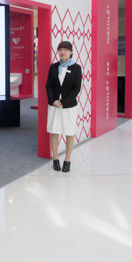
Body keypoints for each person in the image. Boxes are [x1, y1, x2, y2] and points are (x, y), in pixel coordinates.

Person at [45, 41, 83, 173]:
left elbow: (76, 88)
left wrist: (63, 102)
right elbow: (48, 85)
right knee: (54, 131)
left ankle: (67, 160)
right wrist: (53, 100)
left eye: (66, 50)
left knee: (69, 132)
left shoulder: (76, 68)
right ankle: (55, 159)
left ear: (71, 52)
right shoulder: (53, 67)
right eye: (60, 50)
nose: (63, 52)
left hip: (69, 106)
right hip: (54, 105)